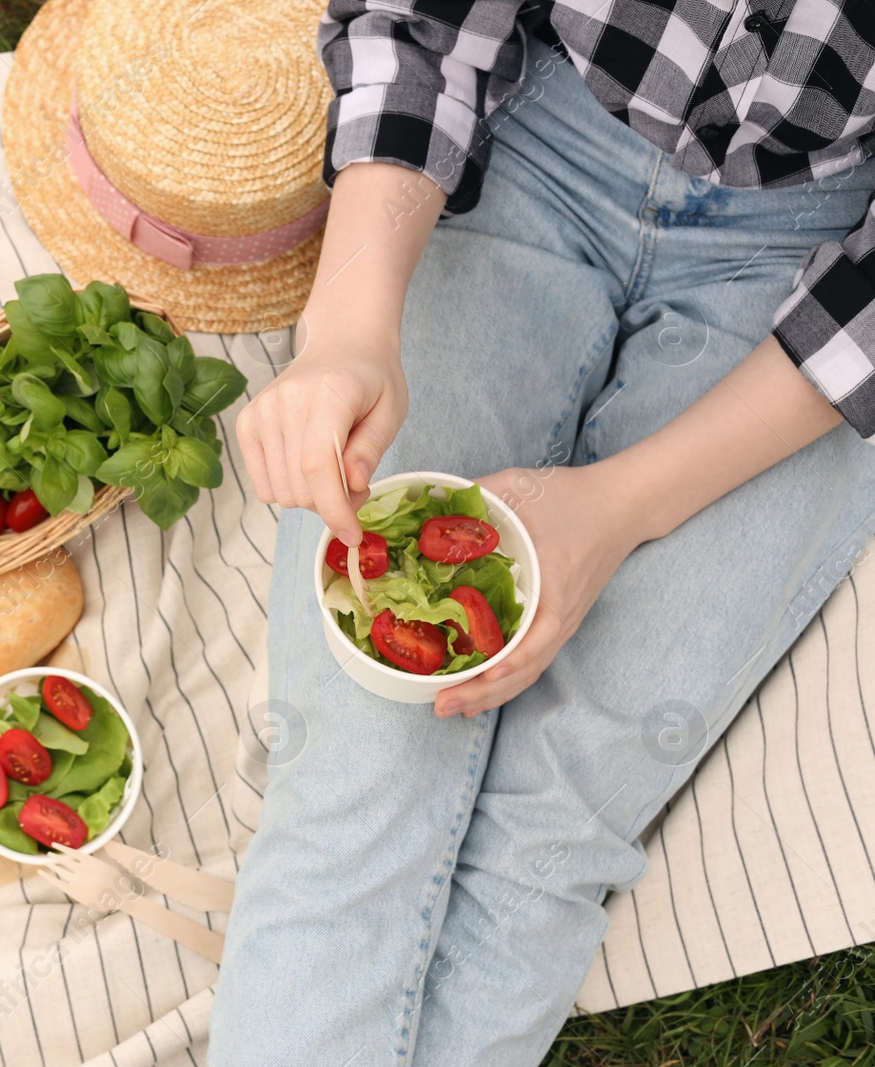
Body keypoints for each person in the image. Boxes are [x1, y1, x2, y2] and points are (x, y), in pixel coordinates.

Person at [210, 4, 875, 1065]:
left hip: (815, 256)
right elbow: (417, 20)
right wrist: (345, 335)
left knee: (551, 823)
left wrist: (621, 510)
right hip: (522, 134)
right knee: (356, 762)